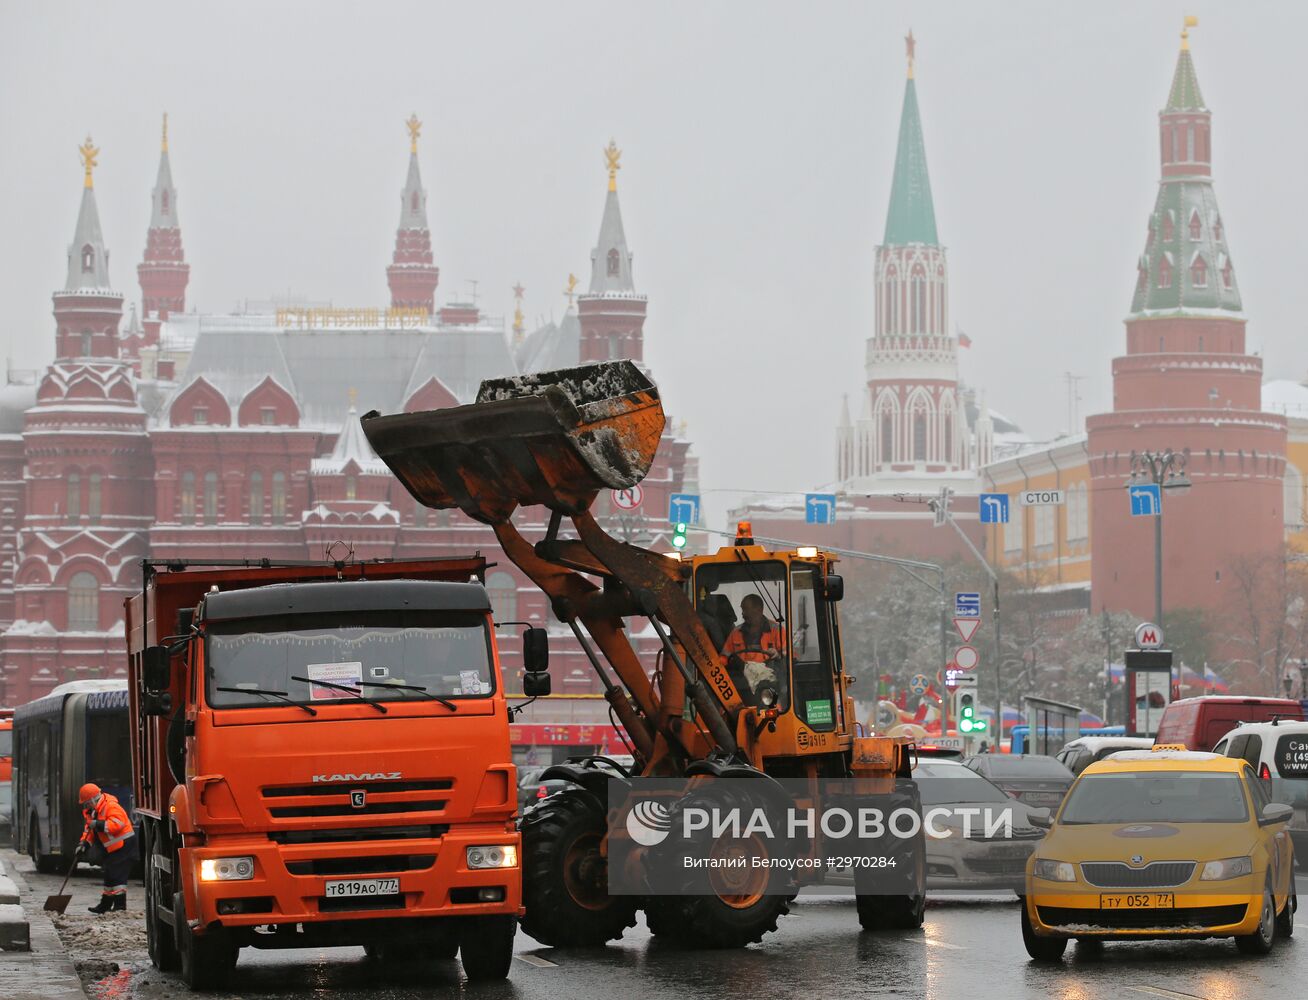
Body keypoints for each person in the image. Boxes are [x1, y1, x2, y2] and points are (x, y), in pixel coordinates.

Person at [79, 782, 137, 914]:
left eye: (87, 803)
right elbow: (89, 831)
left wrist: (98, 824)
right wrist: (83, 844)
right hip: (113, 848)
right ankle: (105, 904)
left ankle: (119, 906)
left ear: (94, 799)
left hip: (124, 846)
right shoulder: (92, 812)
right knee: (109, 875)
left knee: (117, 876)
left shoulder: (111, 806)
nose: (86, 806)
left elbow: (117, 824)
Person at [721, 594, 786, 703]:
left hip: (769, 684)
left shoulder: (777, 630)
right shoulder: (736, 633)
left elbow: (789, 655)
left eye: (745, 610)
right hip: (741, 685)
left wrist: (778, 654)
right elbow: (723, 658)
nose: (742, 614)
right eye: (742, 610)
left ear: (759, 609)